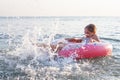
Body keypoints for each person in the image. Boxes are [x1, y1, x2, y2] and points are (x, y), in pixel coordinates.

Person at [36, 24, 100, 52]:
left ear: (93, 33)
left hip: (79, 47)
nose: (86, 34)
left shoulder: (94, 36)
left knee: (59, 47)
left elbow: (99, 44)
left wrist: (93, 41)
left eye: (87, 32)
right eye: (85, 32)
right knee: (61, 44)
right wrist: (71, 39)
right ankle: (42, 45)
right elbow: (79, 40)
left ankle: (44, 46)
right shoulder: (86, 37)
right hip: (77, 46)